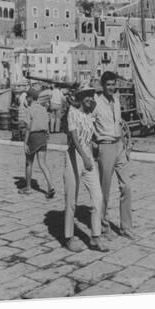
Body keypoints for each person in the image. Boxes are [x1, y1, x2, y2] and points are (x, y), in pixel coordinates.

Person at [63, 84, 109, 252]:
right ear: (80, 98)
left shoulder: (89, 115)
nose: (90, 98)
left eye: (92, 95)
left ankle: (95, 237)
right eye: (87, 96)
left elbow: (89, 139)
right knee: (71, 199)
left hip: (87, 156)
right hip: (74, 156)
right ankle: (68, 237)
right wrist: (84, 157)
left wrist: (91, 155)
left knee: (97, 196)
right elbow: (74, 138)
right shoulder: (72, 113)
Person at [92, 71, 134, 239]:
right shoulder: (95, 103)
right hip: (105, 147)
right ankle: (103, 225)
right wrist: (94, 144)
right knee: (105, 189)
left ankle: (126, 227)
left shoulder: (116, 101)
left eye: (113, 84)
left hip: (119, 146)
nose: (111, 87)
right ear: (103, 86)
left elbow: (119, 124)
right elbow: (88, 123)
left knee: (127, 186)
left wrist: (125, 145)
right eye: (108, 84)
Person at [21, 88, 55, 198]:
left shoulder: (30, 110)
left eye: (27, 97)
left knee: (29, 163)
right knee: (43, 163)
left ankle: (28, 187)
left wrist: (25, 143)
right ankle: (51, 186)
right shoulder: (43, 109)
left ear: (30, 98)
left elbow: (28, 128)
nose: (26, 99)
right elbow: (47, 125)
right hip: (43, 137)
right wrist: (47, 135)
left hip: (33, 137)